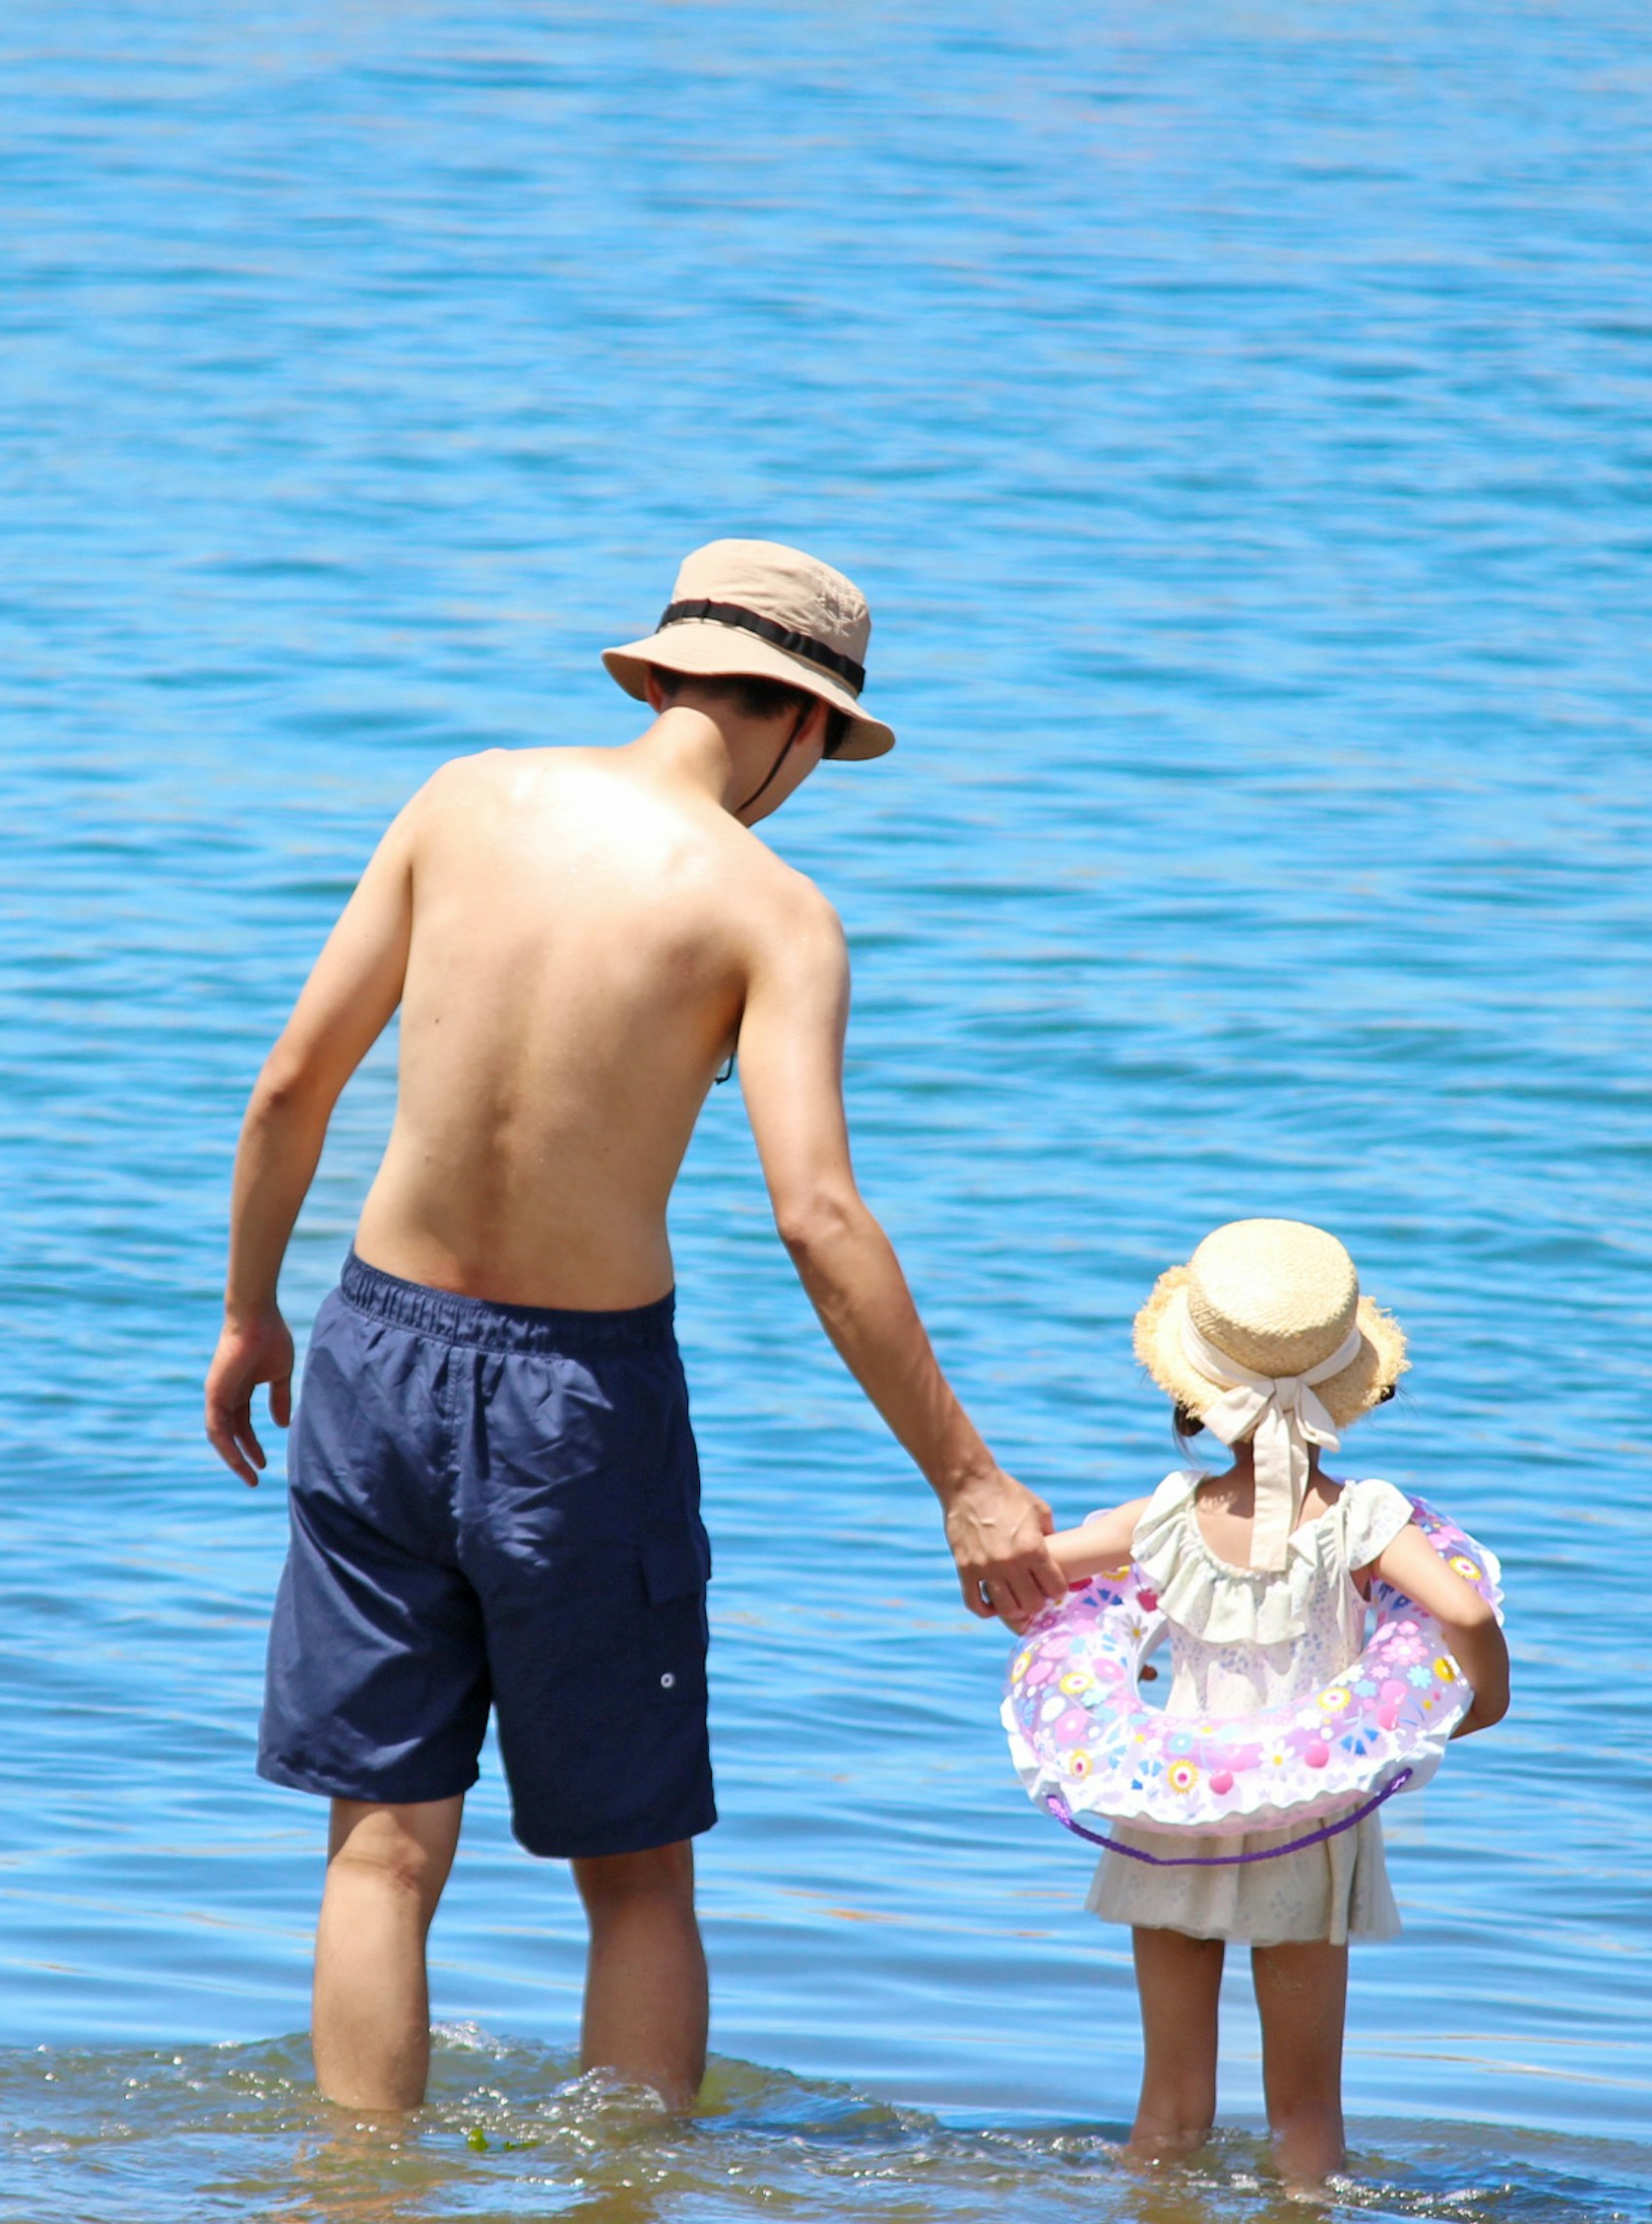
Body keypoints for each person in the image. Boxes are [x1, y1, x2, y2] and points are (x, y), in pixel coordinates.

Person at [204, 539, 1061, 2118]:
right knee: (638, 1878)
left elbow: (288, 1087)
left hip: (372, 1354)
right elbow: (819, 1217)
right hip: (574, 1415)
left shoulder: (463, 802)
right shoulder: (773, 913)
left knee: (382, 1853)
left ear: (660, 672)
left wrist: (254, 1312)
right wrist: (967, 1477)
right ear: (801, 725)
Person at [1039, 1219, 1511, 2189]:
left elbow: (1036, 1572)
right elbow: (1462, 1606)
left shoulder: (1164, 1515)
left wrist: (1030, 1591)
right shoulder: (1364, 1519)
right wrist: (1485, 1702)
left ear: (1191, 1392)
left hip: (1171, 1800)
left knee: (1169, 2107)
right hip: (1309, 1820)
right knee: (1305, 2113)